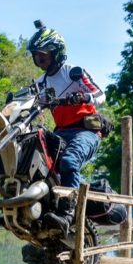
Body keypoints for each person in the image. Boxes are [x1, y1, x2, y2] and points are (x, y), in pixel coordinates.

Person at [27, 20, 107, 235]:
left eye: (43, 55)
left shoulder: (73, 73)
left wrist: (84, 97)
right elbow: (31, 101)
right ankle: (30, 212)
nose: (39, 60)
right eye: (36, 56)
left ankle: (67, 213)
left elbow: (100, 94)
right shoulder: (41, 83)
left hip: (86, 131)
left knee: (69, 162)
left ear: (56, 53)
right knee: (35, 160)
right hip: (61, 133)